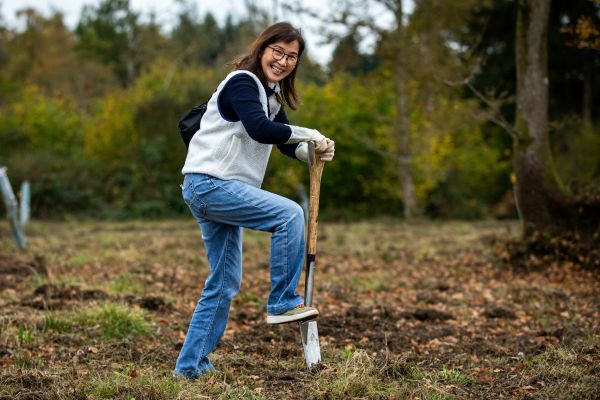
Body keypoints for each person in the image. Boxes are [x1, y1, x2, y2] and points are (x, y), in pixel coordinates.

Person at [174, 22, 335, 379]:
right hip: (210, 184)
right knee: (290, 214)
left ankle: (189, 368)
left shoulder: (271, 94)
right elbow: (259, 129)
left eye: (291, 56)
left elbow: (285, 143)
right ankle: (282, 301)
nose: (283, 61)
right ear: (262, 48)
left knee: (223, 282)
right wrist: (309, 133)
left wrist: (315, 152)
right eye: (277, 51)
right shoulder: (242, 82)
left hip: (219, 189)